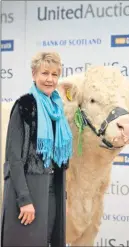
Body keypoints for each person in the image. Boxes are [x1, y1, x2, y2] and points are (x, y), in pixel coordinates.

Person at [1, 51, 73, 247]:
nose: (49, 79)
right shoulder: (24, 105)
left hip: (52, 191)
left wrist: (62, 197)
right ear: (34, 75)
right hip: (27, 191)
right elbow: (13, 158)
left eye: (54, 74)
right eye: (44, 73)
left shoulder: (57, 109)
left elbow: (60, 160)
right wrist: (24, 200)